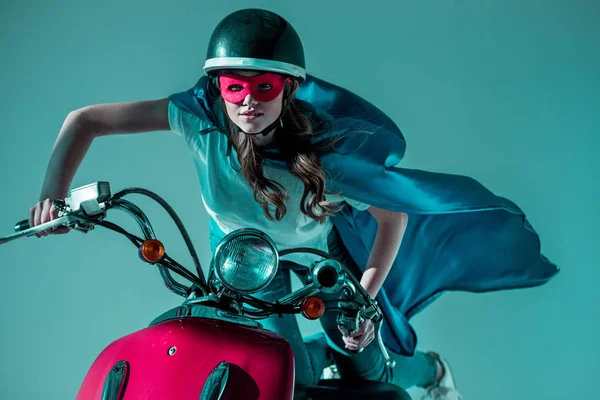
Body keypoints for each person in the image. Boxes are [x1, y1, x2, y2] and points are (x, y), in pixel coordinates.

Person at [28, 8, 559, 400]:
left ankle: (430, 373)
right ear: (217, 87)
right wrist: (51, 199)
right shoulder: (196, 120)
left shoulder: (323, 154)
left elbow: (391, 215)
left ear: (289, 88)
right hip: (243, 261)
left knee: (365, 365)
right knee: (284, 376)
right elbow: (86, 121)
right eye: (235, 87)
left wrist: (365, 297)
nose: (248, 102)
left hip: (320, 265)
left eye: (264, 87)